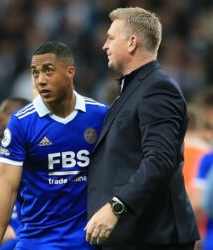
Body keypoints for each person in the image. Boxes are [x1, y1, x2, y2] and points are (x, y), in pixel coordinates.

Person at [85, 7, 200, 250]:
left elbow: (159, 159)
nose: (105, 45)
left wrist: (116, 207)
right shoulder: (133, 88)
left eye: (111, 38)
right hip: (134, 235)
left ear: (132, 42)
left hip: (154, 235)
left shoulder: (158, 89)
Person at [0, 41, 108, 250]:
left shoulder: (99, 116)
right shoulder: (21, 123)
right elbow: (7, 189)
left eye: (48, 71)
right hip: (37, 241)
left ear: (70, 72)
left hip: (88, 241)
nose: (40, 80)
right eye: (35, 73)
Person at [0, 97, 30, 250]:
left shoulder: (38, 145)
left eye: (7, 112)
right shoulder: (2, 155)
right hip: (14, 236)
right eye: (0, 111)